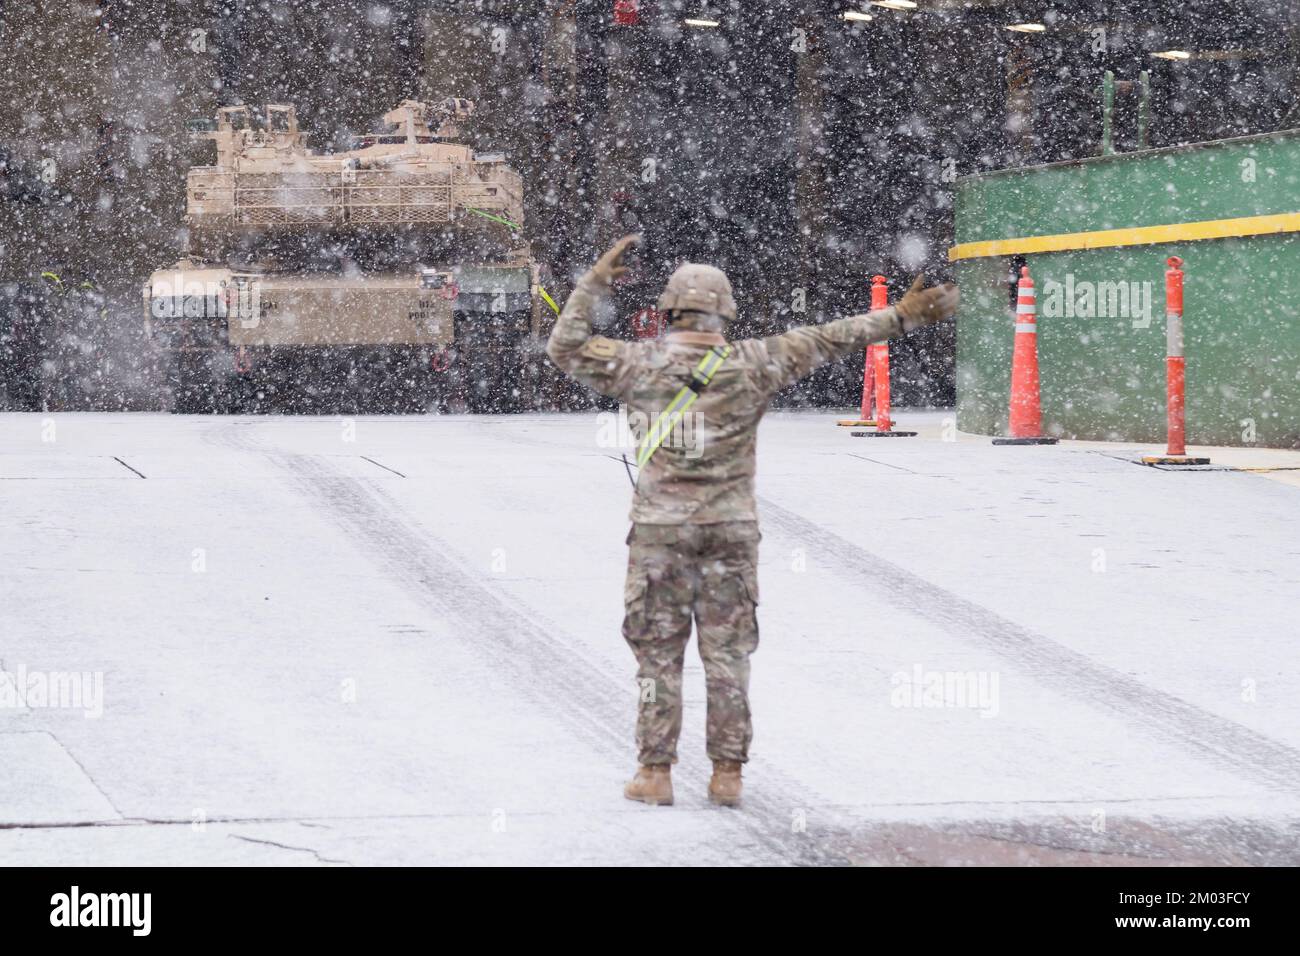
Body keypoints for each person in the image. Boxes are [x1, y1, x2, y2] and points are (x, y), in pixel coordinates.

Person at [546, 235, 959, 807]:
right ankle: (727, 775)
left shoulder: (636, 364)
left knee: (657, 655)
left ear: (667, 311)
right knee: (727, 653)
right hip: (730, 531)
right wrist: (903, 316)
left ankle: (655, 772)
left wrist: (593, 283)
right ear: (726, 313)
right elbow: (834, 338)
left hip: (660, 534)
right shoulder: (756, 363)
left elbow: (564, 347)